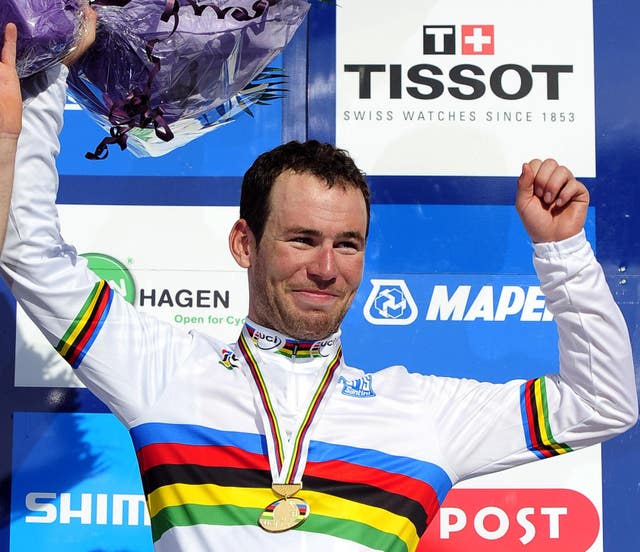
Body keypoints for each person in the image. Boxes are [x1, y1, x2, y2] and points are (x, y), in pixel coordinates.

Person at [0, 18, 637, 552]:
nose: (327, 268)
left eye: (348, 245)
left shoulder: (424, 413)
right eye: (303, 240)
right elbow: (30, 251)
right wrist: (50, 59)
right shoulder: (164, 370)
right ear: (243, 244)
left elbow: (603, 403)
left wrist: (563, 250)